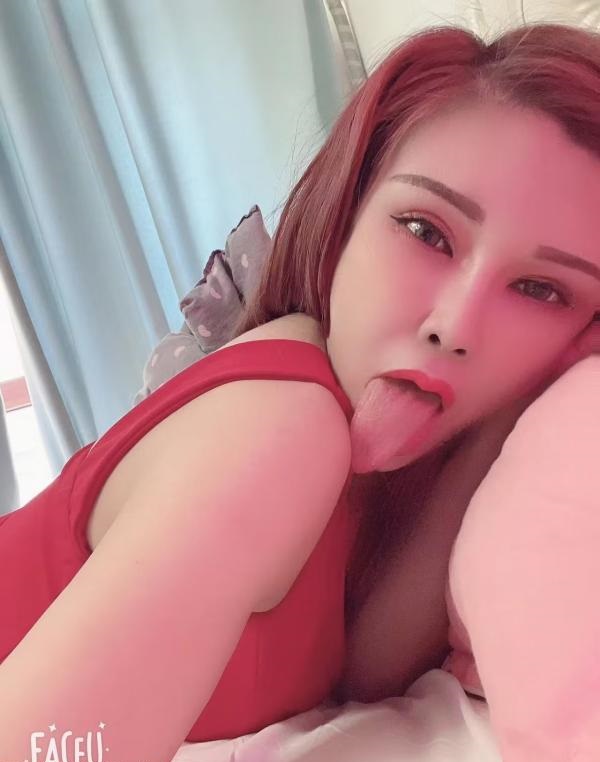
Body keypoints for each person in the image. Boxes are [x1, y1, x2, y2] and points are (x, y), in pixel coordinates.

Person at [2, 19, 600, 762]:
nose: (454, 326)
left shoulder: (376, 453)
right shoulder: (278, 426)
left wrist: (510, 411)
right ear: (344, 214)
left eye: (541, 290)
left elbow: (364, 671)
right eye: (426, 231)